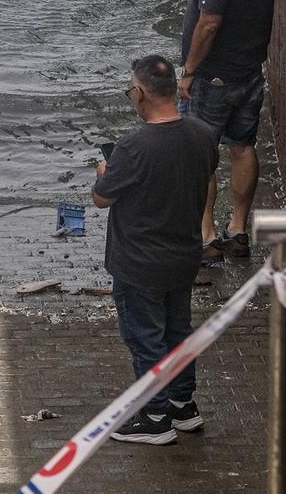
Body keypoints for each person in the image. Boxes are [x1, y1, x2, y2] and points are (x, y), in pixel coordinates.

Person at [92, 55, 219, 444]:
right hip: (183, 256)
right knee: (178, 332)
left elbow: (102, 198)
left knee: (146, 337)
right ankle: (183, 407)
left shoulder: (133, 147)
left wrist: (104, 171)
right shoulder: (203, 134)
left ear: (139, 93)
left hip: (139, 263)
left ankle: (155, 417)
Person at [178, 0, 279, 262]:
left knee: (202, 156)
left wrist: (188, 72)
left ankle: (205, 236)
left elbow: (209, 23)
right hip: (250, 73)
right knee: (242, 147)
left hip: (213, 79)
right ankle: (238, 230)